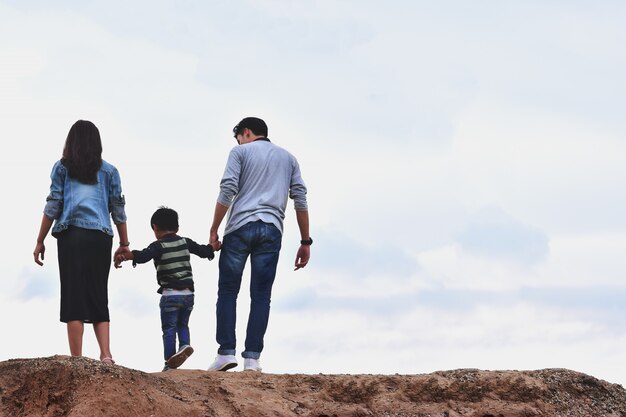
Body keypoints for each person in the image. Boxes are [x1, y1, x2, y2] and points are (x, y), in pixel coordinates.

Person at [207, 117, 311, 372]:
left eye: (239, 137)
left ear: (246, 132)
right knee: (261, 295)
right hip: (272, 229)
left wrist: (214, 229)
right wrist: (305, 241)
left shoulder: (239, 152)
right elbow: (300, 199)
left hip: (240, 226)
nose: (240, 142)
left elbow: (228, 189)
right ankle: (252, 359)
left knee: (228, 291)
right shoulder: (289, 158)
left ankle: (225, 353)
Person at [33, 119, 130, 364]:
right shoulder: (110, 171)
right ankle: (106, 355)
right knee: (98, 292)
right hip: (100, 237)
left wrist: (40, 240)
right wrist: (124, 242)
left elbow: (53, 205)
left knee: (73, 293)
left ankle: (77, 358)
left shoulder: (62, 168)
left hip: (71, 235)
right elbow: (117, 208)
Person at [115, 206, 220, 371]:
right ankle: (185, 345)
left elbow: (142, 256)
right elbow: (203, 251)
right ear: (177, 228)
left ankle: (169, 362)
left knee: (169, 328)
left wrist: (126, 256)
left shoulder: (158, 246)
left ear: (155, 228)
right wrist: (213, 247)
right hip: (189, 294)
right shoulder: (185, 242)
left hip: (170, 294)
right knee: (182, 325)